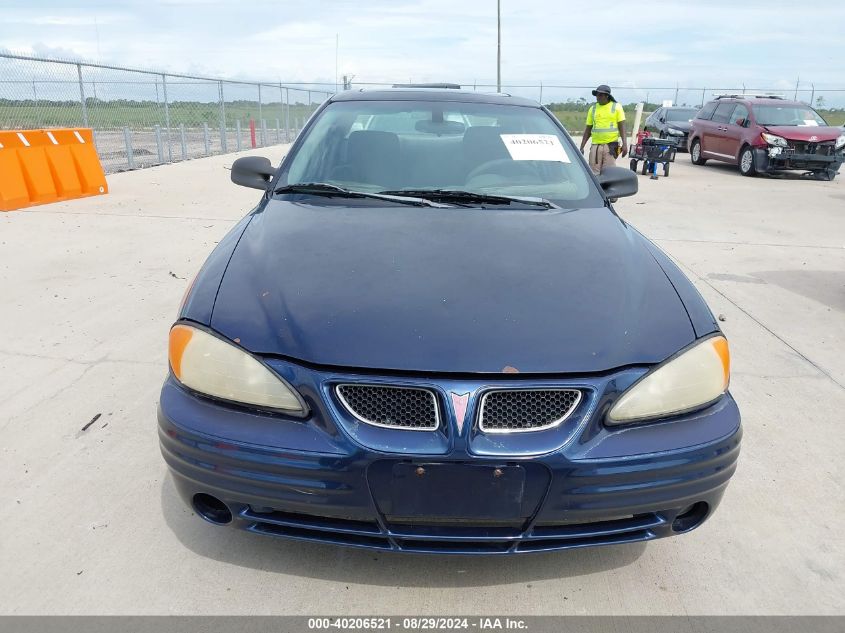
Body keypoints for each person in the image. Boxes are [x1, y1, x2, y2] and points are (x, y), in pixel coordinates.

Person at [579, 84, 627, 175]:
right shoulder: (592, 109)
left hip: (611, 146)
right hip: (595, 146)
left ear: (607, 96)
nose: (598, 97)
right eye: (597, 94)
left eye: (600, 95)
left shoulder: (617, 107)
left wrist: (625, 144)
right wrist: (581, 147)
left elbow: (622, 127)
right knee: (593, 173)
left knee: (609, 173)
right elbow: (588, 130)